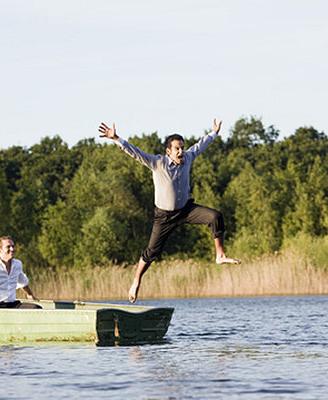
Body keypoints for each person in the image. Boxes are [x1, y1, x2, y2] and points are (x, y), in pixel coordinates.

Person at [98, 119, 241, 302]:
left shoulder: (188, 158)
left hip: (186, 210)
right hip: (164, 216)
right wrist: (116, 138)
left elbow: (200, 146)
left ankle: (220, 255)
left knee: (215, 216)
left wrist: (214, 133)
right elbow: (135, 153)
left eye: (182, 147)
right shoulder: (158, 163)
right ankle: (136, 281)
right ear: (169, 151)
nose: (181, 151)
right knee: (151, 252)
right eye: (177, 149)